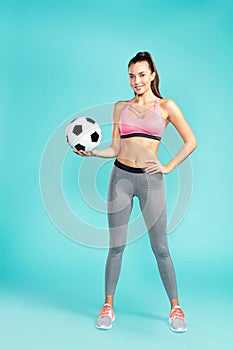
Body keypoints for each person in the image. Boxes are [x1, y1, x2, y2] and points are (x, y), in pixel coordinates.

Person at [73, 51, 198, 332]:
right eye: (131, 76)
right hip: (120, 177)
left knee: (161, 248)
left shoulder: (166, 107)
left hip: (150, 180)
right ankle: (108, 306)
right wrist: (92, 154)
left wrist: (167, 166)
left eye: (142, 75)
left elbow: (191, 141)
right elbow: (116, 148)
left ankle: (176, 309)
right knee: (116, 246)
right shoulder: (121, 107)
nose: (136, 81)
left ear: (152, 75)